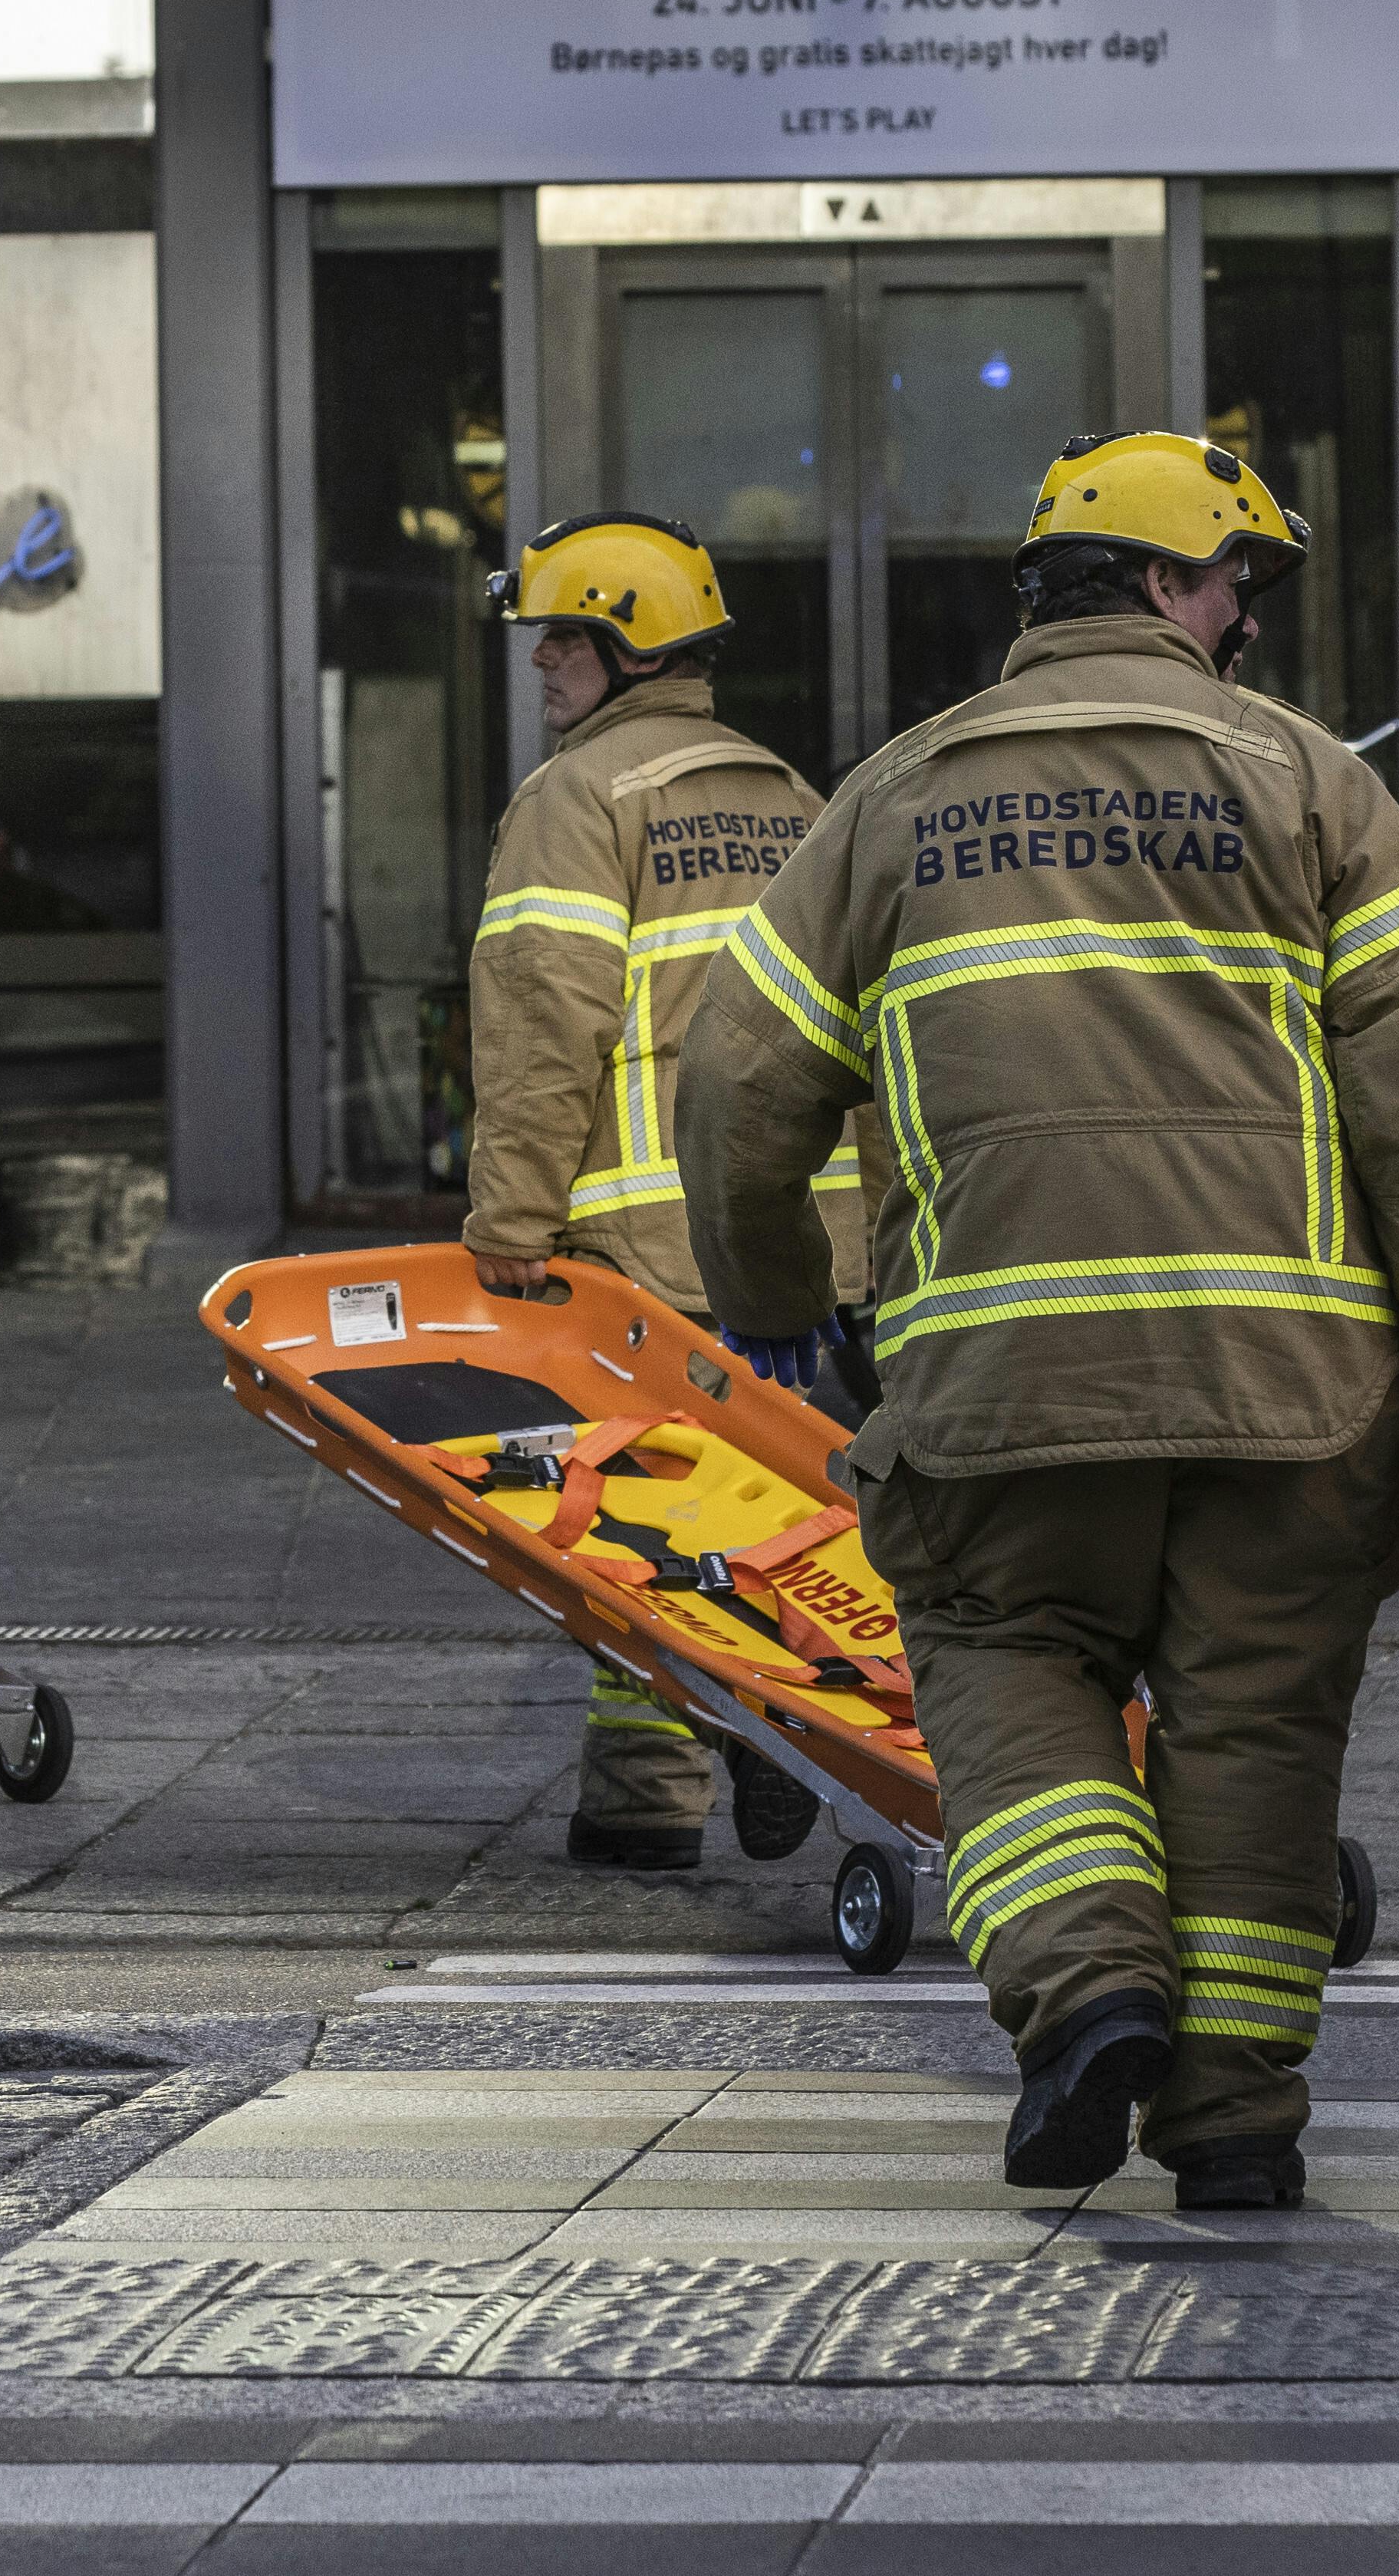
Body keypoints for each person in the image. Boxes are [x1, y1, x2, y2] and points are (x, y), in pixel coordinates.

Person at [679, 431, 1399, 2214]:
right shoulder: (1313, 790)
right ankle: (1233, 2121)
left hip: (999, 1389)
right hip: (1287, 1394)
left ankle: (1089, 1986)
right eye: (1235, 586)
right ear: (1158, 581)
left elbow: (738, 1076)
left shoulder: (889, 800)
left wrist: (776, 1303)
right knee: (1257, 1729)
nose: (1249, 625)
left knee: (1001, 1659)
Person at [464, 511, 868, 1874]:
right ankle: (644, 1793)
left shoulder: (578, 803)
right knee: (763, 1513)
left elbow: (543, 1027)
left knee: (627, 1517)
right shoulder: (793, 799)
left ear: (635, 648)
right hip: (808, 1245)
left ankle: (710, 1741)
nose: (543, 665)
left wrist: (512, 1224)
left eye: (565, 638)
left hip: (648, 1244)